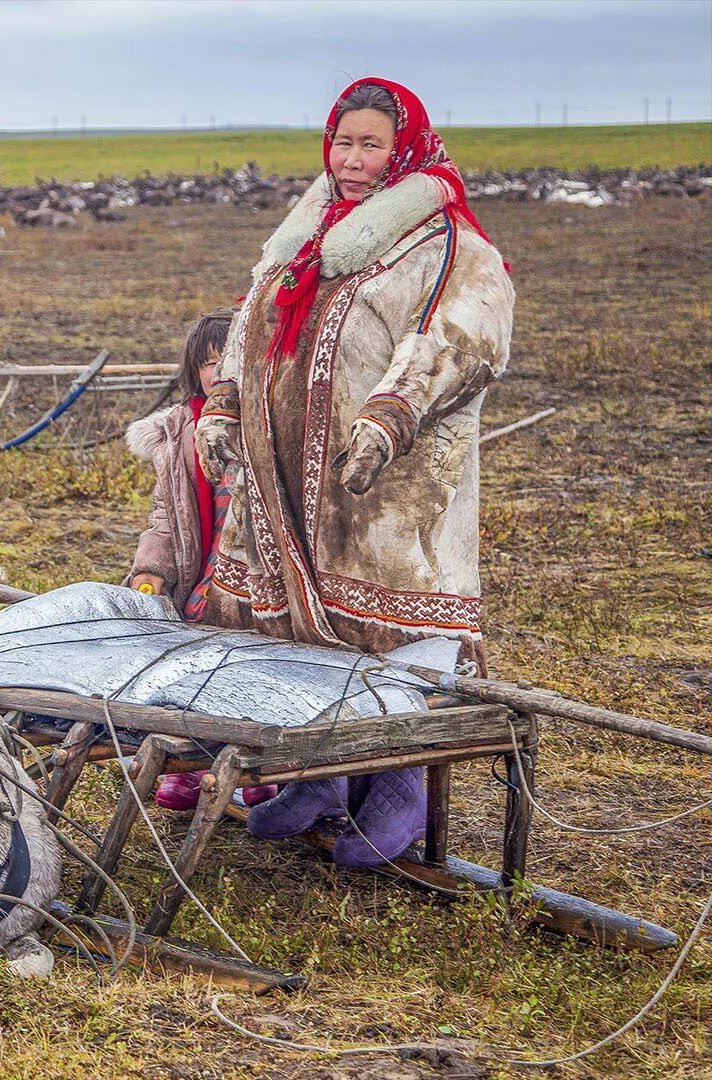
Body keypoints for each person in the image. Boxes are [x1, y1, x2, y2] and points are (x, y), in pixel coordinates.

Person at [192, 78, 514, 866]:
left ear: (403, 150)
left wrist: (392, 412)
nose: (353, 159)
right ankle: (321, 778)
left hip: (389, 487)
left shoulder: (446, 246)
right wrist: (226, 404)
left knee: (389, 628)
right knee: (291, 625)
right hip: (283, 483)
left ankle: (398, 780)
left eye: (371, 143)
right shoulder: (301, 238)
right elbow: (252, 319)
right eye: (343, 141)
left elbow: (463, 333)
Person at [125, 308, 276, 811]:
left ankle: (262, 768)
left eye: (227, 359)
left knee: (259, 662)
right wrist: (152, 569)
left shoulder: (269, 419)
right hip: (204, 567)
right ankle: (194, 761)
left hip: (263, 570)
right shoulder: (178, 432)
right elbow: (166, 515)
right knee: (195, 660)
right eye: (207, 363)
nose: (217, 372)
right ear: (194, 371)